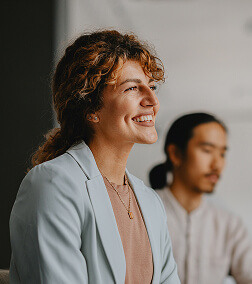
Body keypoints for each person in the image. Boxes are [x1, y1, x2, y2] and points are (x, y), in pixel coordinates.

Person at [9, 30, 180, 284]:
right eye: (132, 88)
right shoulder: (53, 184)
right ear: (90, 108)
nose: (152, 100)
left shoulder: (149, 201)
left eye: (152, 87)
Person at [149, 112, 252, 284]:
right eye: (207, 150)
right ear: (175, 154)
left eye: (222, 154)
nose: (217, 165)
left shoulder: (229, 225)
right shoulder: (144, 214)